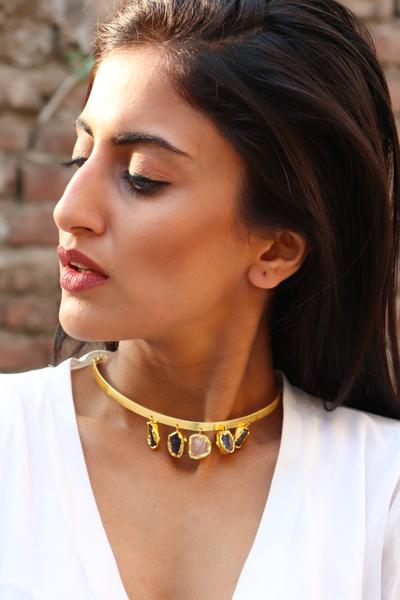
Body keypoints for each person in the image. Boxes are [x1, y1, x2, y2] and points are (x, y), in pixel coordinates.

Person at [1, 0, 400, 598]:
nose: (69, 209)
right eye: (79, 156)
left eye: (142, 177)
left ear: (276, 250)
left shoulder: (380, 490)